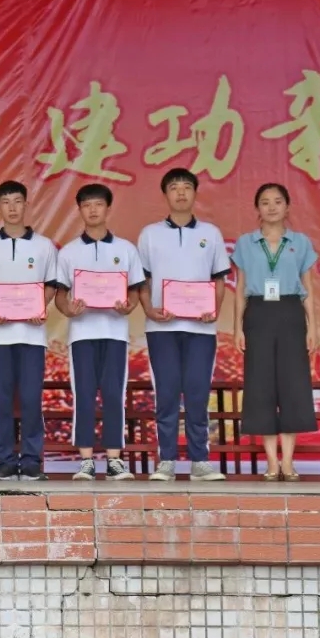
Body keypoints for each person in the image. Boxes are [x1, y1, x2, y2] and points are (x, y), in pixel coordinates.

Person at [138, 168, 230, 482]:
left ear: (195, 193)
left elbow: (219, 280)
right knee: (166, 394)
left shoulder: (211, 233)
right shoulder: (150, 234)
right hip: (161, 329)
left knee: (197, 394)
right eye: (174, 187)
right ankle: (166, 460)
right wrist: (149, 309)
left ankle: (200, 461)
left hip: (201, 330)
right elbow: (143, 280)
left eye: (186, 187)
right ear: (165, 194)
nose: (180, 192)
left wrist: (213, 310)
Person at [0, 180, 58, 481]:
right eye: (6, 202)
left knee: (32, 399)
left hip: (32, 336)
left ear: (26, 204)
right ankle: (5, 461)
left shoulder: (44, 245)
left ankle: (31, 460)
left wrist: (40, 306)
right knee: (1, 400)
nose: (12, 208)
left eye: (17, 201)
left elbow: (51, 285)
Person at [55, 183, 144, 481]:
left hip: (115, 333)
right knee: (84, 395)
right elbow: (60, 296)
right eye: (87, 205)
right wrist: (70, 310)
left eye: (98, 204)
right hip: (81, 335)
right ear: (79, 210)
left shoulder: (126, 249)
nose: (93, 210)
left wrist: (127, 307)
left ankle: (115, 459)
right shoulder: (69, 252)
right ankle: (86, 460)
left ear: (108, 208)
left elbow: (134, 292)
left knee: (113, 395)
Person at [231, 183, 318, 482]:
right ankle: (271, 462)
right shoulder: (245, 243)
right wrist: (238, 327)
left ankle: (289, 462)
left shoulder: (300, 242)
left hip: (291, 312)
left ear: (287, 206)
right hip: (258, 314)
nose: (271, 207)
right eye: (265, 202)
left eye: (278, 201)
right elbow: (240, 289)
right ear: (257, 208)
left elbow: (308, 289)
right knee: (261, 385)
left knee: (293, 385)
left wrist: (313, 327)